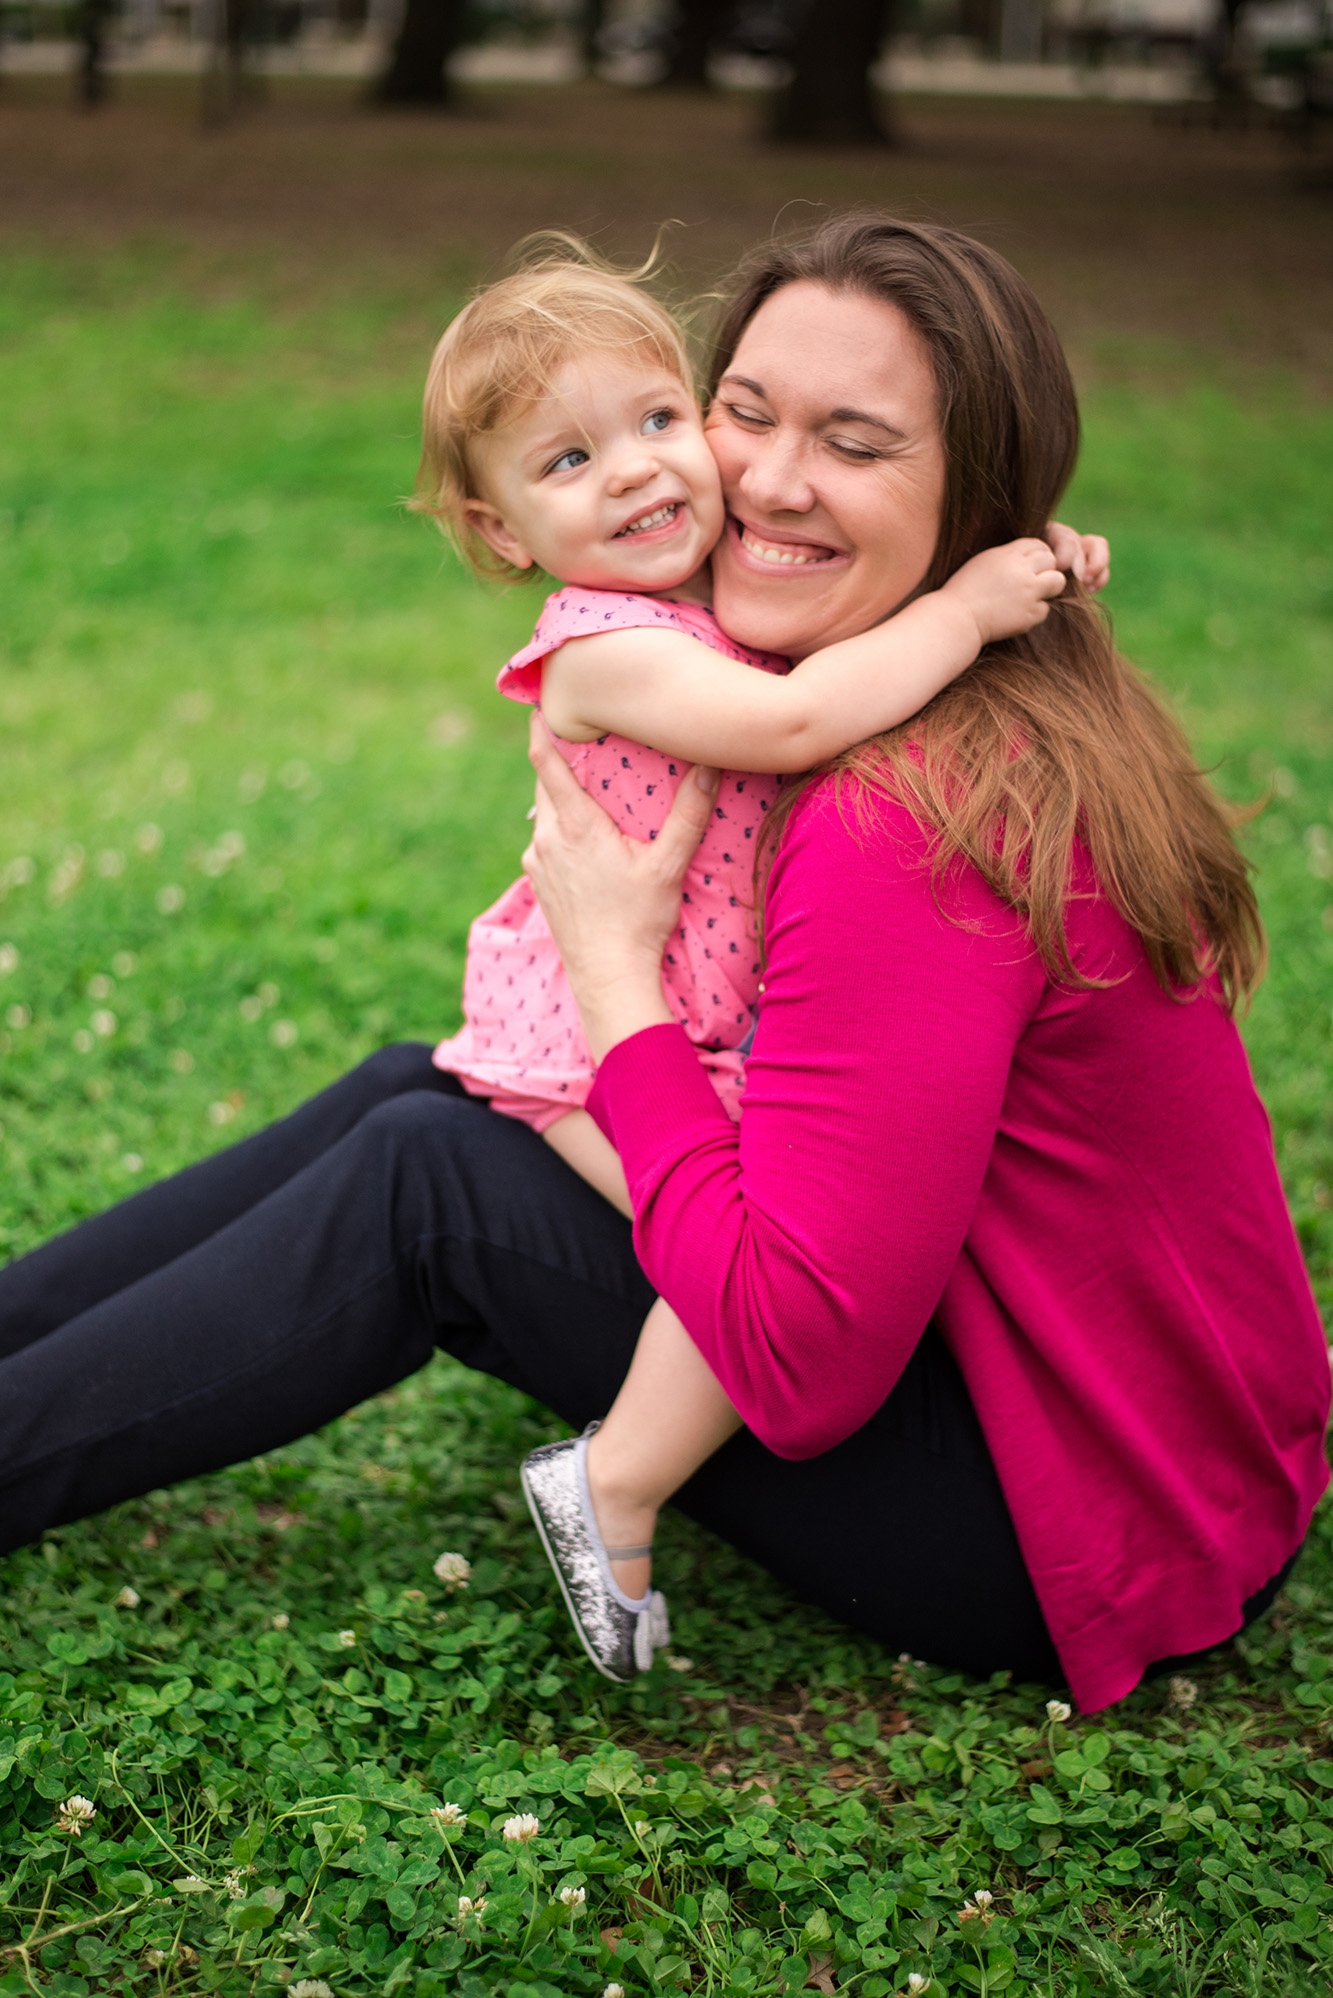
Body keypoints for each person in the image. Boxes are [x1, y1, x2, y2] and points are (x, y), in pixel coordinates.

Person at [0, 214, 1321, 1714]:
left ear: (979, 496)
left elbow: (796, 1347)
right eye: (743, 409)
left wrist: (616, 975)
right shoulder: (1002, 683)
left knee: (426, 1185)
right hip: (1172, 1434)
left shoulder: (909, 815)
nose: (760, 477)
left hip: (1071, 1520)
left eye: (857, 441)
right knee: (429, 1092)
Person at [415, 244, 1069, 1679]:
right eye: (571, 459)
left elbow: (853, 569)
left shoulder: (712, 594)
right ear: (501, 527)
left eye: (659, 420)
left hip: (690, 1016)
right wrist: (960, 610)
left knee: (718, 1234)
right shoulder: (599, 648)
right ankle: (617, 1485)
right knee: (724, 1258)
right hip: (581, 1032)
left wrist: (1002, 556)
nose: (645, 474)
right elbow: (791, 727)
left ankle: (619, 1478)